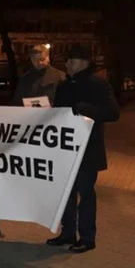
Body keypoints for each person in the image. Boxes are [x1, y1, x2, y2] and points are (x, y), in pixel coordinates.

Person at [47, 45, 120, 253]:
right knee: (66, 194)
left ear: (84, 63)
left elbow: (113, 112)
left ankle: (87, 238)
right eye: (67, 60)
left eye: (71, 60)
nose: (67, 64)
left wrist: (83, 109)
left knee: (85, 193)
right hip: (65, 149)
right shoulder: (63, 86)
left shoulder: (98, 85)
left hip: (88, 150)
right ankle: (67, 233)